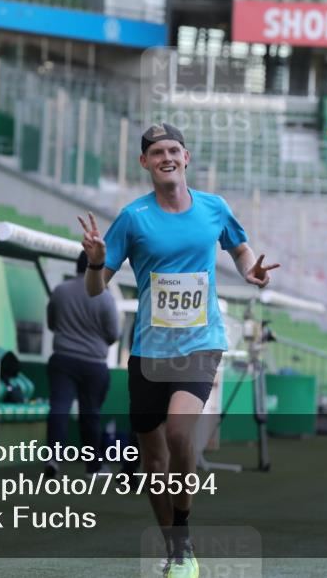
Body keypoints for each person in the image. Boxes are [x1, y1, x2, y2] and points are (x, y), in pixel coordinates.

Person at [77, 122, 279, 578]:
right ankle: (175, 548)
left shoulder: (214, 208)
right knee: (153, 462)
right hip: (150, 351)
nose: (166, 158)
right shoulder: (133, 218)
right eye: (157, 152)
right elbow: (95, 288)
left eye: (173, 150)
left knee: (179, 434)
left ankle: (183, 536)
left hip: (200, 343)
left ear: (186, 157)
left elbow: (240, 249)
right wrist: (95, 263)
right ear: (144, 162)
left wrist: (251, 271)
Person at [44, 251, 120, 477]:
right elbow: (113, 335)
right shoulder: (106, 297)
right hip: (94, 364)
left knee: (59, 408)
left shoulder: (60, 290)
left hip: (63, 359)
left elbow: (52, 323)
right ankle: (92, 467)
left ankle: (53, 458)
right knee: (91, 414)